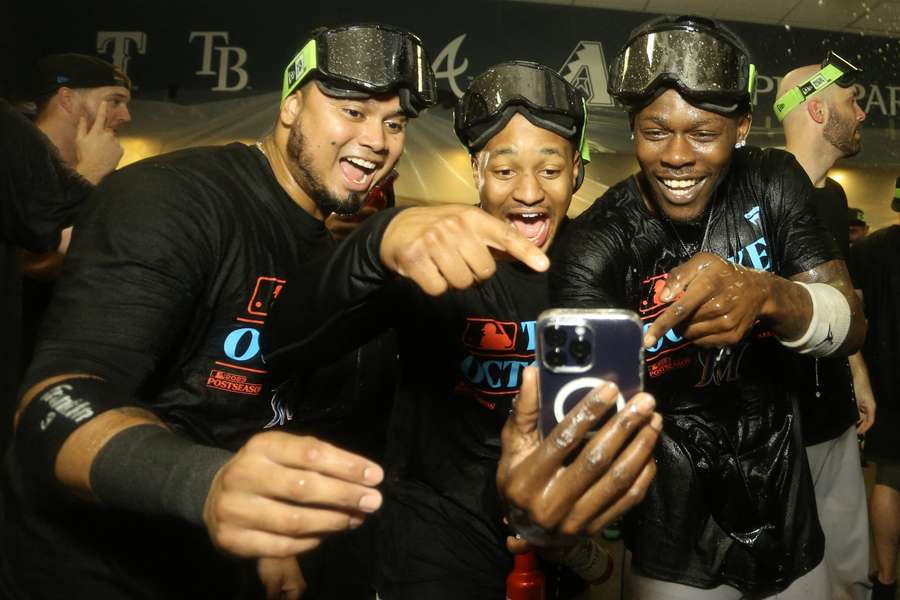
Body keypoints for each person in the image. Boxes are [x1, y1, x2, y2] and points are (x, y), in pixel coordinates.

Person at [0, 24, 437, 600]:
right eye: (352, 111)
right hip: (93, 570)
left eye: (394, 123)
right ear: (289, 107)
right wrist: (206, 483)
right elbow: (53, 400)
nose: (377, 139)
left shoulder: (324, 247)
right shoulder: (175, 199)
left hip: (207, 566)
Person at [262, 61, 662, 599]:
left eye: (549, 170)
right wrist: (378, 241)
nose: (527, 193)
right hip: (437, 530)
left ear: (577, 173)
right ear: (475, 173)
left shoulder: (604, 265)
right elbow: (284, 342)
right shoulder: (429, 254)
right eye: (503, 171)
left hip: (558, 522)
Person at [550, 15, 865, 599]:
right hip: (671, 542)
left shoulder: (774, 182)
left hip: (788, 517)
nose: (675, 156)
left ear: (743, 126)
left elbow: (849, 326)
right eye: (654, 130)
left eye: (702, 133)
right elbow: (576, 418)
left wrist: (772, 293)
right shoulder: (598, 242)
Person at [778, 54, 873, 600]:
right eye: (850, 103)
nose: (860, 114)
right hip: (784, 429)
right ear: (816, 109)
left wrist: (858, 375)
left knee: (850, 569)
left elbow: (842, 302)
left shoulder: (834, 198)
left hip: (835, 415)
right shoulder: (759, 189)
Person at [849, 181, 900, 600]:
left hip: (886, 379)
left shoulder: (869, 250)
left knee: (889, 477)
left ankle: (885, 580)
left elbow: (855, 318)